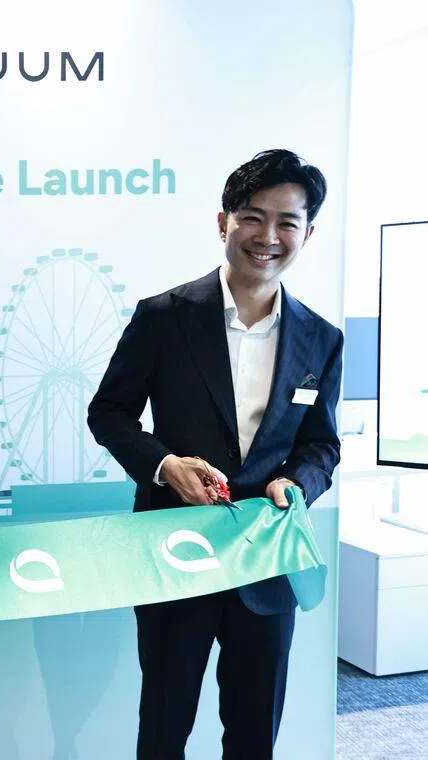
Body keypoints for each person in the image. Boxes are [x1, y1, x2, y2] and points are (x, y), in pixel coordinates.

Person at [87, 149, 343, 759]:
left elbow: (321, 445)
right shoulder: (164, 317)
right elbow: (109, 412)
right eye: (253, 217)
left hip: (266, 561)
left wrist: (297, 485)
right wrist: (164, 465)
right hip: (175, 554)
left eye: (287, 222)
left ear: (308, 232)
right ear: (223, 221)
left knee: (254, 734)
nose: (268, 237)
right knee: (165, 728)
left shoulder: (321, 338)